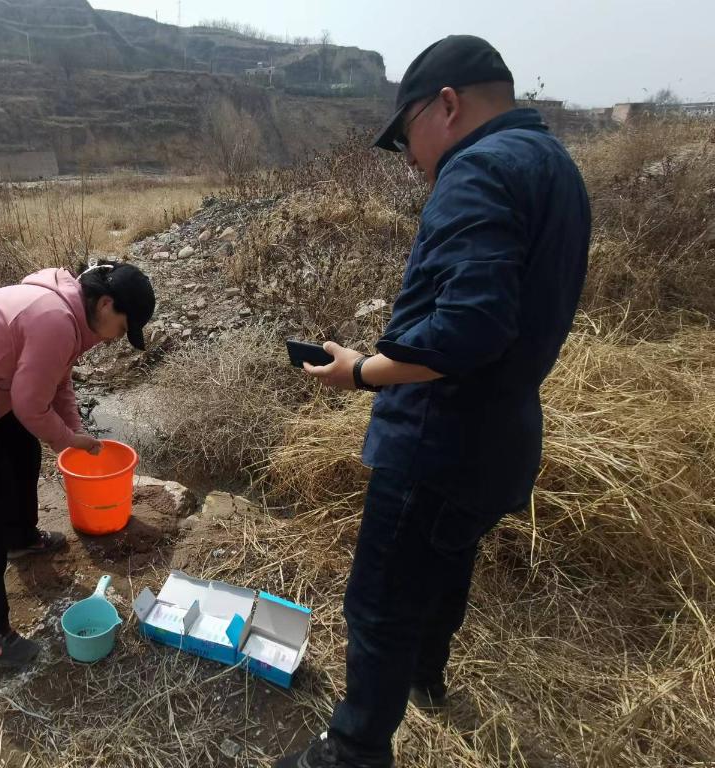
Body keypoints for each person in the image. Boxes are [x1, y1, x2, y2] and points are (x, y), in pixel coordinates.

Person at [276, 36, 590, 768]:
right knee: (447, 563)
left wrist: (361, 372)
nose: (410, 161)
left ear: (446, 106)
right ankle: (426, 677)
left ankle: (353, 749)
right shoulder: (555, 166)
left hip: (437, 441)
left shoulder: (477, 167)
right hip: (501, 438)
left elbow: (472, 328)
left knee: (378, 603)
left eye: (405, 137)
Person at [0, 260, 155, 668]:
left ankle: (20, 539)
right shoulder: (53, 318)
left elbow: (58, 381)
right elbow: (30, 406)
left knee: (23, 450)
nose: (116, 340)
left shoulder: (71, 313)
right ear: (106, 303)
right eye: (123, 329)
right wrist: (68, 441)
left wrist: (74, 429)